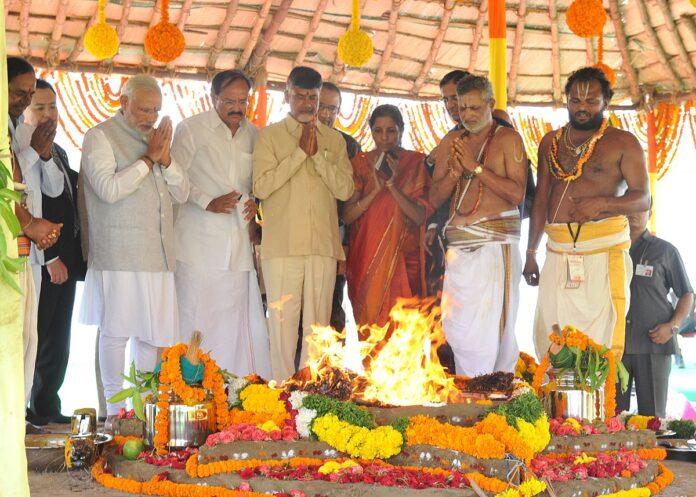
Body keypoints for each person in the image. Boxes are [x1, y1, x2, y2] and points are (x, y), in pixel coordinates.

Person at [79, 74, 190, 426]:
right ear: (122, 103)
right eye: (143, 109)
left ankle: (141, 412)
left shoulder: (157, 141)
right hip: (120, 253)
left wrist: (166, 160)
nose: (150, 117)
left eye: (155, 110)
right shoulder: (99, 137)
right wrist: (147, 160)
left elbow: (183, 193)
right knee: (116, 332)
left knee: (152, 334)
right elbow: (108, 189)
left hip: (157, 255)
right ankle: (114, 412)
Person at [524, 67, 650, 359]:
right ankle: (556, 402)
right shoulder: (550, 142)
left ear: (606, 102)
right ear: (566, 100)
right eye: (575, 101)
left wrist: (602, 204)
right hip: (556, 250)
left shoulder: (623, 142)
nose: (582, 108)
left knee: (597, 340)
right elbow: (541, 199)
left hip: (602, 251)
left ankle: (595, 404)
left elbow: (642, 198)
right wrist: (531, 253)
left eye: (591, 101)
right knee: (552, 333)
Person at [253, 66, 354, 382]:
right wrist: (299, 154)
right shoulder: (268, 137)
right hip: (282, 248)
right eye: (300, 96)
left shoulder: (334, 141)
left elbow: (345, 190)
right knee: (282, 330)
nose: (307, 103)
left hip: (322, 248)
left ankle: (311, 399)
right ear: (287, 95)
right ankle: (282, 398)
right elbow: (261, 187)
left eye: (313, 97)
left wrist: (317, 158)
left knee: (318, 330)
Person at [172, 70, 271, 378]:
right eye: (229, 100)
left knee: (237, 324)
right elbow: (174, 177)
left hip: (238, 244)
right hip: (197, 245)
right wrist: (206, 201)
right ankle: (190, 389)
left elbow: (259, 181)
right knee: (196, 318)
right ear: (213, 98)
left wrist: (257, 201)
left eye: (243, 100)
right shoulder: (191, 129)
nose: (237, 107)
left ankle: (236, 391)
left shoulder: (254, 135)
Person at [429, 75, 528, 377]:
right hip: (459, 250)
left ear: (490, 104)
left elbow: (516, 194)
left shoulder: (508, 140)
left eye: (474, 107)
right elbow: (434, 197)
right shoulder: (452, 141)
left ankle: (492, 400)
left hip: (494, 248)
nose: (467, 114)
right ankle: (468, 395)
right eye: (462, 107)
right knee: (459, 331)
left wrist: (476, 168)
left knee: (491, 334)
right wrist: (454, 173)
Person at [24, 80, 86, 426]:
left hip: (66, 258)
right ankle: (27, 409)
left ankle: (47, 405)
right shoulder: (18, 148)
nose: (48, 115)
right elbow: (30, 206)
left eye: (52, 107)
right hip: (43, 258)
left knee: (57, 340)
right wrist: (49, 258)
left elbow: (62, 194)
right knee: (38, 336)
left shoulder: (56, 149)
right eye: (39, 107)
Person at [6, 57, 63, 429]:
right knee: (10, 336)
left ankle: (18, 414)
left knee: (29, 336)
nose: (24, 102)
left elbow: (54, 188)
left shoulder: (23, 132)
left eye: (30, 94)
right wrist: (32, 152)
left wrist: (43, 154)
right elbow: (8, 183)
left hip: (32, 250)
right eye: (20, 93)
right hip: (9, 246)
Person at [344, 104, 431, 329]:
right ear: (371, 131)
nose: (384, 138)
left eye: (391, 131)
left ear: (401, 130)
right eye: (378, 131)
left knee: (406, 331)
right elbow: (348, 216)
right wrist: (374, 190)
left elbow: (420, 216)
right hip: (366, 257)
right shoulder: (360, 164)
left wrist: (393, 186)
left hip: (406, 257)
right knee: (371, 328)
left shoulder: (416, 163)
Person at [616, 206, 693, 417]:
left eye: (640, 208)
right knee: (611, 419)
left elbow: (687, 294)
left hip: (653, 343)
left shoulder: (665, 251)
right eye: (628, 208)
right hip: (614, 346)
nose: (632, 213)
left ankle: (652, 452)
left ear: (650, 214)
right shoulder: (610, 248)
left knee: (652, 419)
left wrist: (673, 326)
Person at [317, 81, 362, 333]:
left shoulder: (349, 145)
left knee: (332, 305)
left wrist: (347, 245)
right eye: (321, 106)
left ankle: (333, 369)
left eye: (332, 109)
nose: (326, 114)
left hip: (335, 240)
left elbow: (353, 200)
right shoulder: (285, 138)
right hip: (295, 241)